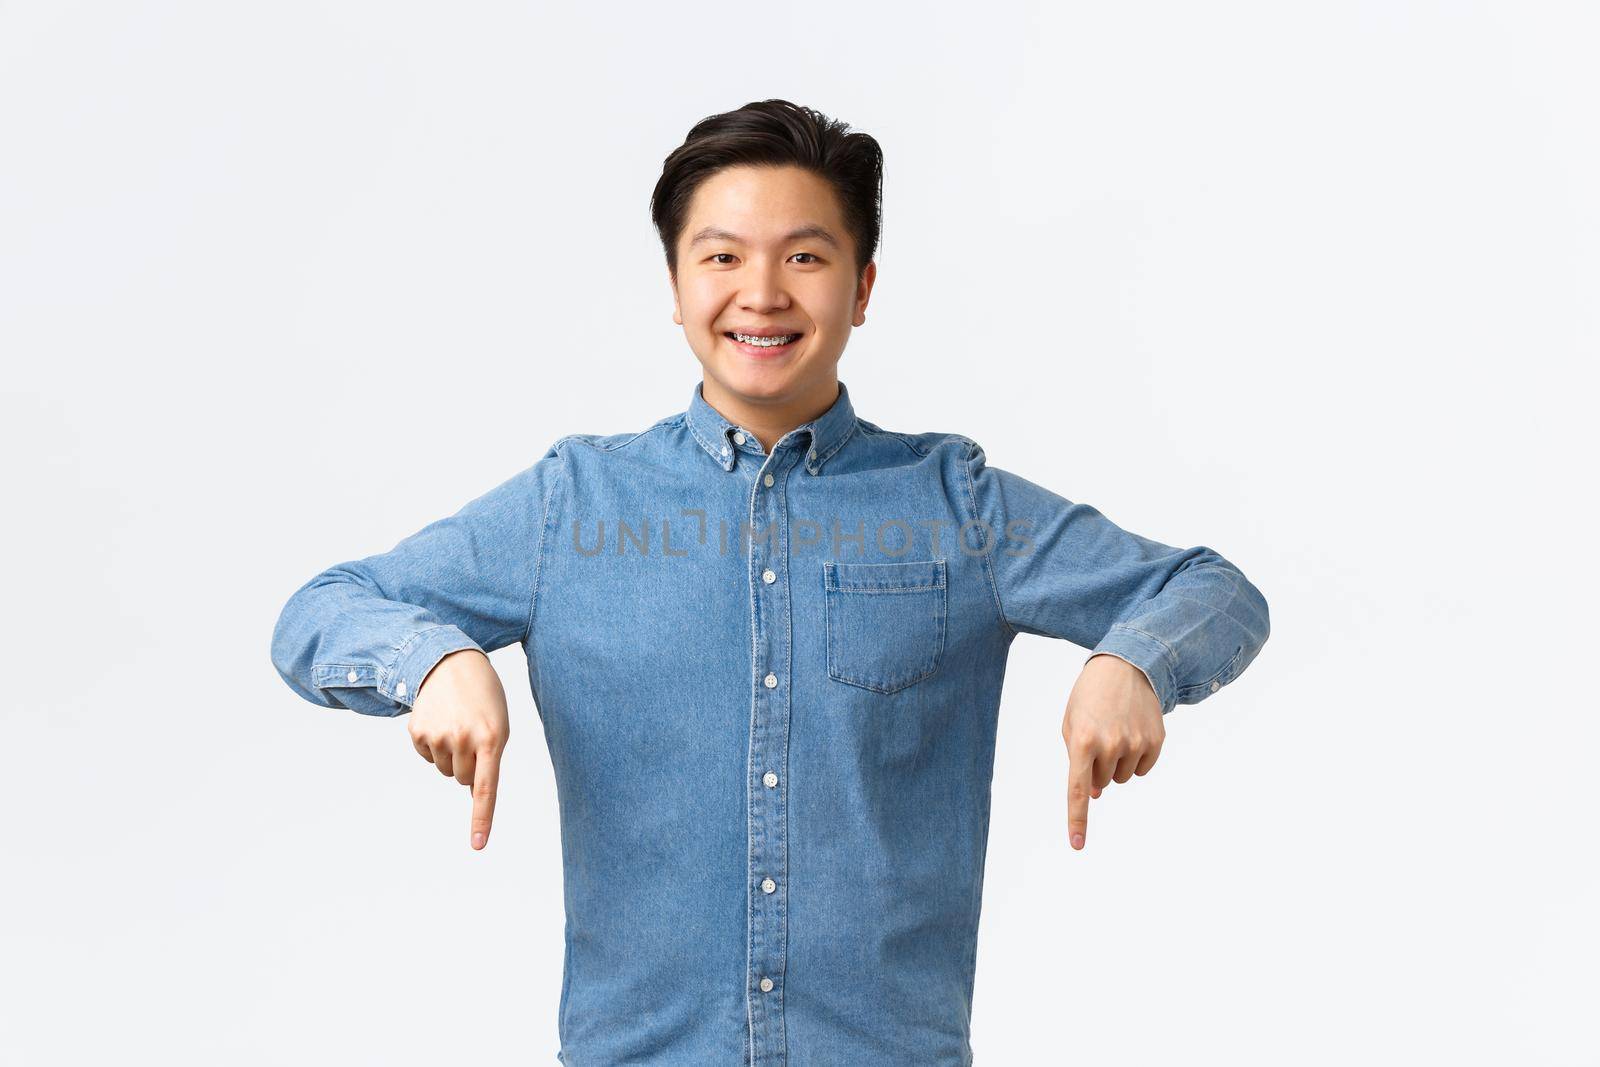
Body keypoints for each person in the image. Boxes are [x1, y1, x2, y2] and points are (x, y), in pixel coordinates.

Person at [270, 98, 1270, 1067]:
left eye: (803, 255)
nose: (761, 291)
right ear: (674, 284)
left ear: (862, 287)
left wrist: (1131, 659)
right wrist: (434, 656)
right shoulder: (573, 505)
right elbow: (320, 611)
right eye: (721, 256)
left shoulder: (952, 504)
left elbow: (1211, 589)